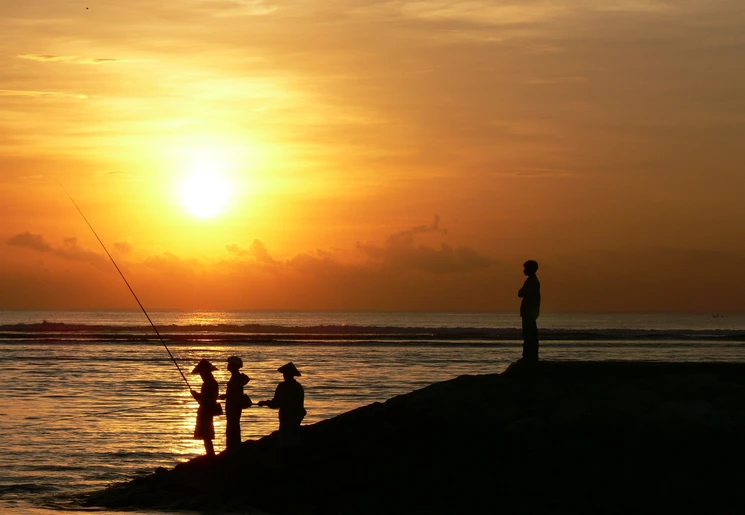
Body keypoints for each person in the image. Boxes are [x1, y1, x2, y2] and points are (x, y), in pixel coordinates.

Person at [258, 362, 306, 447]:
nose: (284, 375)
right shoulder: (295, 387)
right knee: (290, 443)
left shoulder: (289, 387)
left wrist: (265, 403)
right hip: (290, 419)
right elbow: (276, 403)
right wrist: (265, 403)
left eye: (286, 373)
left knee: (287, 443)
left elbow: (276, 403)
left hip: (290, 419)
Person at [219, 355, 251, 451]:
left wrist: (226, 396)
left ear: (234, 366)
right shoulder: (236, 377)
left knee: (232, 427)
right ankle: (233, 446)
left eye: (229, 364)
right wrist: (226, 396)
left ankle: (232, 447)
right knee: (233, 426)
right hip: (233, 406)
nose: (228, 366)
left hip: (234, 407)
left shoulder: (236, 378)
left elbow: (235, 394)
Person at [190, 358, 221, 457]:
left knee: (206, 434)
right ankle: (210, 454)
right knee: (205, 434)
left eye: (202, 373)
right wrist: (197, 396)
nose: (201, 376)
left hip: (206, 411)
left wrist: (197, 396)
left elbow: (206, 399)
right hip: (206, 410)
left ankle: (210, 455)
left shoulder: (209, 384)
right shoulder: (212, 383)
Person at [518, 260, 541, 362]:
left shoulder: (531, 281)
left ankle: (529, 356)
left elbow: (521, 293)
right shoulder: (532, 281)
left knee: (529, 334)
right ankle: (529, 355)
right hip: (530, 311)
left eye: (525, 268)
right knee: (529, 334)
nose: (524, 270)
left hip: (529, 312)